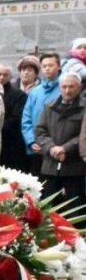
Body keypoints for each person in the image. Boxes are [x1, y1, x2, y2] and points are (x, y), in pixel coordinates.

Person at [35, 73, 86, 211]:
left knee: (76, 208)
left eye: (71, 87)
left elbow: (83, 135)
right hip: (50, 165)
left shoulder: (84, 107)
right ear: (59, 87)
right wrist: (51, 148)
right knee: (48, 206)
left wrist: (65, 148)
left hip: (74, 167)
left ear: (79, 87)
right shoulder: (49, 106)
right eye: (64, 87)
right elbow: (40, 131)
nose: (67, 90)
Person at [22, 53, 61, 178]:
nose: (47, 69)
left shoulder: (65, 88)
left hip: (56, 147)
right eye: (44, 66)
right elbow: (26, 119)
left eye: (51, 65)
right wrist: (31, 140)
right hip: (36, 148)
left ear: (59, 66)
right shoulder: (35, 92)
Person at [0, 64, 29, 171]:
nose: (1, 77)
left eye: (5, 75)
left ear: (10, 77)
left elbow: (17, 119)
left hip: (10, 144)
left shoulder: (19, 95)